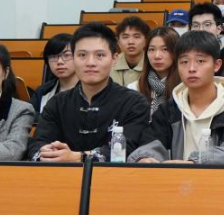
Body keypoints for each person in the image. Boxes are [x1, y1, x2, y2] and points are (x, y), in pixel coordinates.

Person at [130, 31, 224, 164]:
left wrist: (193, 164)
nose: (191, 68)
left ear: (217, 65)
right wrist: (145, 158)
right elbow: (150, 143)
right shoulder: (169, 110)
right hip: (173, 177)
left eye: (200, 61)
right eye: (184, 62)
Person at [28, 23, 150, 162]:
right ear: (73, 58)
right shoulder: (57, 102)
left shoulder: (134, 103)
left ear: (114, 59)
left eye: (100, 55)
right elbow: (37, 143)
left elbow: (130, 147)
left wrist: (79, 157)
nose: (90, 63)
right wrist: (48, 153)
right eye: (82, 55)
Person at [128, 26, 182, 120]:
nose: (157, 56)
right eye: (152, 49)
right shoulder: (134, 89)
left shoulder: (184, 89)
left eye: (165, 49)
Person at [31, 33, 78, 115]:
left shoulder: (90, 90)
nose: (59, 61)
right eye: (53, 56)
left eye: (66, 55)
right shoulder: (43, 91)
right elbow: (29, 116)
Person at [111, 16, 150, 86]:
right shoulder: (110, 64)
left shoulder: (152, 64)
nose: (130, 42)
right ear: (118, 42)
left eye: (136, 36)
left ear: (146, 41)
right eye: (125, 37)